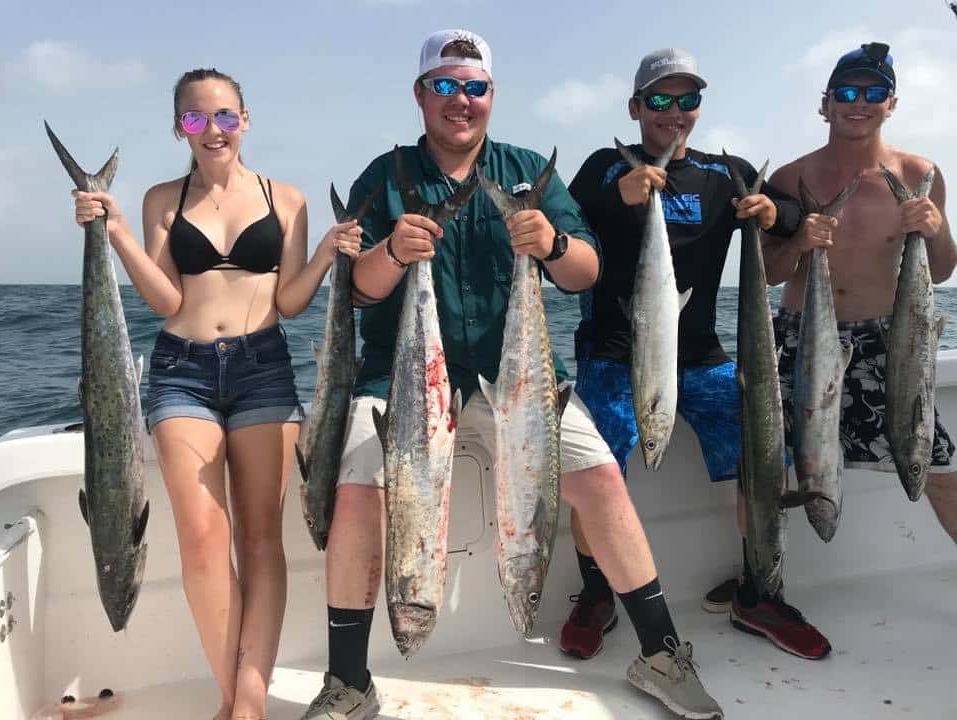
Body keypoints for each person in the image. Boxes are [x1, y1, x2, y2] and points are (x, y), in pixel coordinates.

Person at [300, 29, 723, 720]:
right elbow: (356, 293)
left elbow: (585, 270)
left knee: (600, 478)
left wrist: (552, 242)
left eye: (475, 87)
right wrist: (391, 250)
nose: (460, 100)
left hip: (521, 378)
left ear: (491, 96)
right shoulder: (384, 175)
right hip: (405, 381)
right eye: (445, 85)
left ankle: (660, 653)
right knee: (354, 493)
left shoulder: (528, 169)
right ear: (420, 94)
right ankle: (349, 681)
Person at [72, 68, 361, 720]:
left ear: (245, 120)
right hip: (182, 371)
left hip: (264, 367)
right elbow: (167, 298)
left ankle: (248, 700)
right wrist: (113, 230)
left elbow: (288, 299)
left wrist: (323, 254)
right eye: (197, 119)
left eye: (225, 116)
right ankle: (235, 699)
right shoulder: (158, 200)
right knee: (203, 535)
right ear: (181, 127)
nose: (212, 130)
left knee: (261, 539)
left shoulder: (286, 199)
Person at [564, 48, 833, 662]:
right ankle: (596, 591)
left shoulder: (724, 173)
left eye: (687, 100)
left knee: (765, 457)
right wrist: (620, 197)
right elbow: (569, 224)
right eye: (659, 100)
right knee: (593, 471)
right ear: (635, 108)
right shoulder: (606, 166)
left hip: (703, 354)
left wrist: (773, 211)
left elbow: (795, 214)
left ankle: (759, 589)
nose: (674, 112)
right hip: (615, 354)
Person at [763, 43, 957, 551]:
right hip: (802, 337)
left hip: (887, 342)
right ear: (824, 103)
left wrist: (935, 230)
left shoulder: (920, 175)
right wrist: (800, 243)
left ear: (892, 104)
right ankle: (762, 578)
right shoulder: (788, 179)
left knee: (932, 461)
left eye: (876, 93)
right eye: (847, 91)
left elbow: (938, 272)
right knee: (773, 462)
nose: (860, 102)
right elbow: (768, 272)